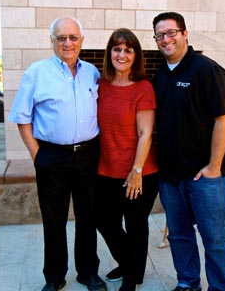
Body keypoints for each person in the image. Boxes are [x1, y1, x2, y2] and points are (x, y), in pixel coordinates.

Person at [8, 16, 107, 291]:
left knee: (88, 218)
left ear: (81, 41)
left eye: (73, 37)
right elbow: (22, 117)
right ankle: (54, 277)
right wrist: (37, 155)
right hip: (51, 156)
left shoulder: (92, 73)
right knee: (54, 221)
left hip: (88, 155)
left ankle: (88, 273)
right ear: (51, 41)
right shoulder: (36, 73)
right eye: (61, 38)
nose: (67, 43)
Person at [152, 12, 225, 291]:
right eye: (160, 35)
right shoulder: (160, 74)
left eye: (171, 32)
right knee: (179, 235)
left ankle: (220, 288)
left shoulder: (207, 70)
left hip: (204, 177)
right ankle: (188, 283)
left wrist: (213, 167)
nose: (166, 39)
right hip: (171, 177)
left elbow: (223, 120)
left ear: (185, 34)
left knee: (215, 239)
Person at [95, 28, 159, 291]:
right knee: (104, 221)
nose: (122, 54)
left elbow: (146, 133)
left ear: (136, 56)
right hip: (106, 169)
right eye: (117, 49)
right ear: (110, 52)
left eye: (128, 50)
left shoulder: (143, 88)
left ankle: (131, 280)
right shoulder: (101, 85)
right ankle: (131, 263)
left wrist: (137, 171)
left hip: (140, 170)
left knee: (135, 224)